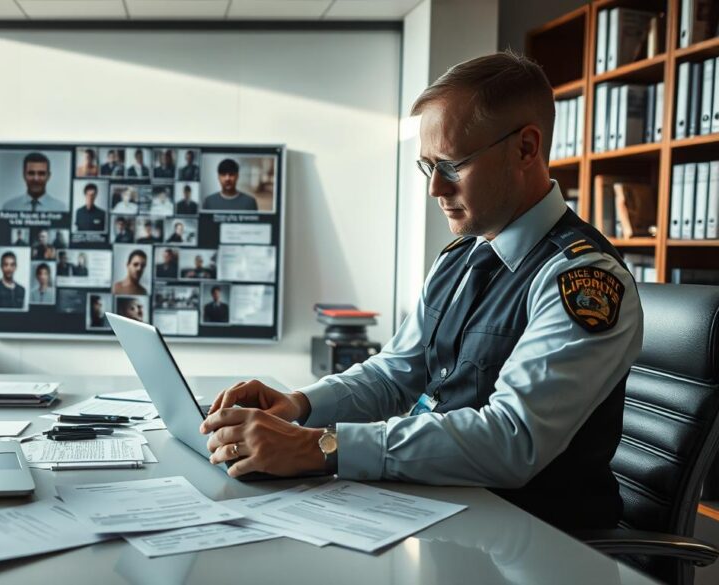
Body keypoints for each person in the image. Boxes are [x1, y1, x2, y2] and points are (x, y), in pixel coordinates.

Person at [198, 51, 643, 534]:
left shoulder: (582, 280)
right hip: (445, 513)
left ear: (526, 148)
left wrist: (318, 446)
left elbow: (511, 441)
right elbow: (394, 375)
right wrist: (299, 406)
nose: (435, 189)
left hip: (531, 538)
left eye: (452, 164)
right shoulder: (459, 258)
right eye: (427, 166)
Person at [1, 152, 68, 212]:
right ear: (24, 175)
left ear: (48, 176)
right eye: (31, 173)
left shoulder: (61, 208)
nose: (36, 178)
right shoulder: (9, 207)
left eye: (41, 173)